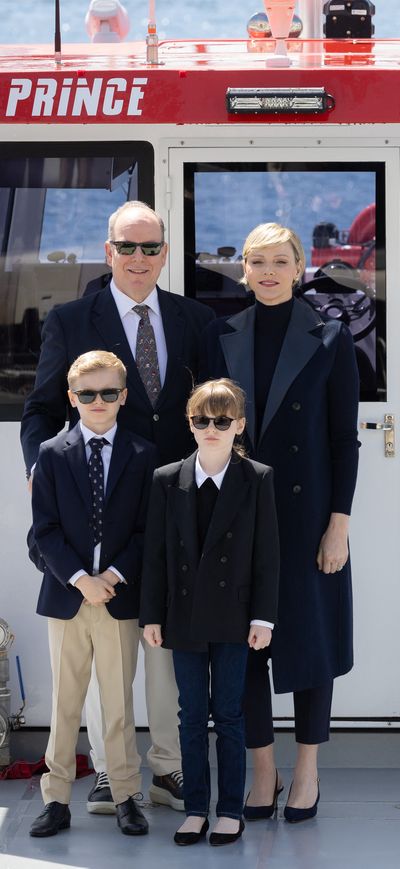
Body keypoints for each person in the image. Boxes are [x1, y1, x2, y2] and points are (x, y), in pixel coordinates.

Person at [20, 201, 215, 814]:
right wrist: (39, 470)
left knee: (165, 647)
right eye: (126, 247)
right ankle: (108, 772)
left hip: (178, 512)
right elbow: (42, 410)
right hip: (101, 513)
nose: (138, 259)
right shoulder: (73, 320)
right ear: (107, 251)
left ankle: (167, 769)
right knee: (106, 644)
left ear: (164, 253)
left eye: (150, 247)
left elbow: (217, 406)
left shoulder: (194, 319)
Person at [200, 223, 359, 822]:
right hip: (236, 515)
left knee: (313, 644)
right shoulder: (221, 336)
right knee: (244, 648)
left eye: (279, 262)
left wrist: (337, 524)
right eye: (256, 261)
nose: (267, 272)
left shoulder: (331, 338)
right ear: (242, 269)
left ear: (300, 268)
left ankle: (309, 773)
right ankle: (263, 770)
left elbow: (345, 440)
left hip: (309, 516)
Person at [140, 378, 279, 846]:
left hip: (236, 616)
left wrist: (264, 618)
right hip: (183, 615)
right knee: (190, 714)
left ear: (239, 425)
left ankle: (230, 810)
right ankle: (196, 807)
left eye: (222, 420)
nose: (211, 428)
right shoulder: (167, 478)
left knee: (230, 714)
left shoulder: (256, 477)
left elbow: (267, 554)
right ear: (190, 423)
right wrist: (151, 616)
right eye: (202, 420)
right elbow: (156, 555)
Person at [29, 351, 157, 838]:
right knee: (66, 701)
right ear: (72, 398)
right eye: (87, 394)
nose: (98, 401)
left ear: (123, 397)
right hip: (68, 598)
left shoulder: (142, 455)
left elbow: (148, 531)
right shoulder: (52, 453)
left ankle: (126, 795)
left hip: (119, 598)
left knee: (119, 702)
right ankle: (56, 797)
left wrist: (114, 576)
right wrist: (82, 578)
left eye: (108, 393)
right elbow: (45, 530)